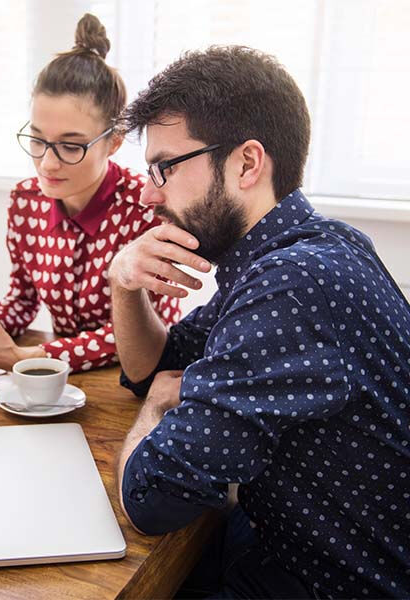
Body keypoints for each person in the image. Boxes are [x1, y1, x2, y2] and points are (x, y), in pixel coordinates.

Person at [109, 45, 410, 598]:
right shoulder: (303, 250)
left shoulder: (293, 286)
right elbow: (157, 362)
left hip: (328, 581)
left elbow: (151, 496)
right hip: (289, 542)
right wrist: (123, 282)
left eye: (164, 167)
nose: (149, 194)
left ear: (247, 163)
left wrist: (157, 404)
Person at [0, 14, 180, 373]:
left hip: (139, 382)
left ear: (113, 142)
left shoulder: (147, 207)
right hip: (54, 382)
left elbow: (153, 332)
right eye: (37, 140)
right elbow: (22, 300)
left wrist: (28, 358)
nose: (47, 164)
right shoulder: (25, 202)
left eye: (71, 146)